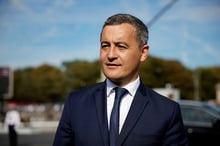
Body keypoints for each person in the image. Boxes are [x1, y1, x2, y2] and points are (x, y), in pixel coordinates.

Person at [53, 13, 188, 146]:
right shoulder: (76, 103)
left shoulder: (167, 111)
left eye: (121, 46)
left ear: (143, 52)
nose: (110, 55)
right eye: (105, 45)